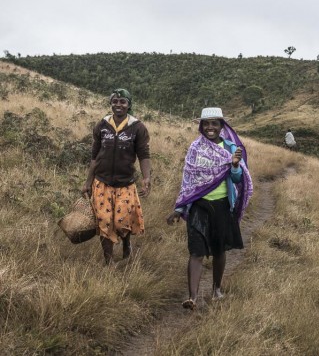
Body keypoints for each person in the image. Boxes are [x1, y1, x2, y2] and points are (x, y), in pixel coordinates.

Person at [166, 107, 253, 310]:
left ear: (222, 126)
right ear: (201, 126)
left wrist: (234, 165)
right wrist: (179, 209)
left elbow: (238, 179)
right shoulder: (195, 148)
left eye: (214, 123)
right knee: (196, 251)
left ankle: (216, 290)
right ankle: (192, 297)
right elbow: (189, 182)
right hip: (198, 207)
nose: (210, 127)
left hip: (222, 206)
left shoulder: (231, 148)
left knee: (219, 250)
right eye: (206, 124)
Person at [82, 88, 151, 265]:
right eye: (115, 101)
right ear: (111, 103)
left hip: (126, 183)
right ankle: (109, 261)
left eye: (122, 102)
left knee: (122, 222)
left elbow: (143, 155)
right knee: (104, 221)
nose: (118, 105)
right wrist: (88, 182)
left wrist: (146, 178)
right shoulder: (102, 125)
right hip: (102, 182)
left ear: (129, 105)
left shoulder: (137, 127)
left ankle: (127, 244)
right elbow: (95, 156)